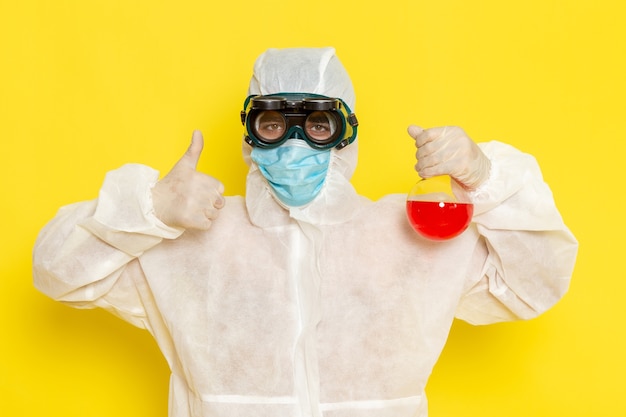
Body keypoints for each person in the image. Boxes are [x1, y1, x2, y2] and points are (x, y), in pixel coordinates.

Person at [33, 47, 578, 417]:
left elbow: (535, 284)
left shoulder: (410, 232)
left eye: (319, 124)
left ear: (347, 135)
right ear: (249, 136)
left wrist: (487, 179)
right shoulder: (191, 238)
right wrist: (148, 208)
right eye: (273, 123)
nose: (294, 143)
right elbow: (56, 272)